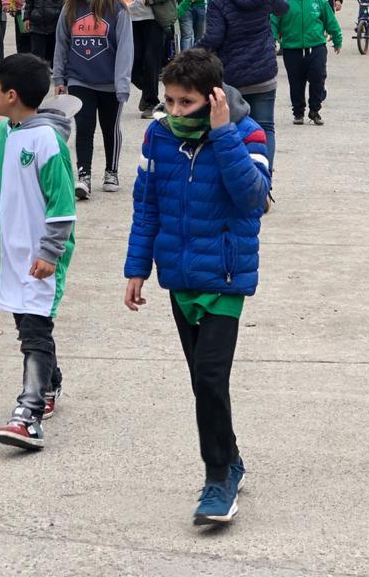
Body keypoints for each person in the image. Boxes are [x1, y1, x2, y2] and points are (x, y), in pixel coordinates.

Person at [123, 48, 269, 525]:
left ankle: (218, 479)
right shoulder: (158, 135)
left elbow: (252, 198)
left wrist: (223, 133)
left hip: (225, 277)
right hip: (179, 275)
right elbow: (147, 205)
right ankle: (232, 456)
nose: (175, 111)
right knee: (202, 382)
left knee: (209, 377)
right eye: (169, 100)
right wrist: (137, 267)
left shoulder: (248, 133)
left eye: (186, 103)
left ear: (213, 98)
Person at [0, 53, 76, 451]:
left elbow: (63, 207)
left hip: (40, 258)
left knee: (34, 331)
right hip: (11, 254)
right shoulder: (4, 134)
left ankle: (28, 415)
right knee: (28, 324)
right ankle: (50, 382)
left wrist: (50, 252)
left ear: (11, 95)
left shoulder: (47, 141)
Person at [197, 0, 288, 169]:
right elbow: (283, 7)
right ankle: (264, 178)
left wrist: (190, 53)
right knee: (265, 127)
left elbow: (213, 38)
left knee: (232, 128)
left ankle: (240, 176)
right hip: (264, 72)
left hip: (232, 75)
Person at [53, 0, 132, 198]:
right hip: (80, 79)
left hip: (110, 82)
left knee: (110, 128)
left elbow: (125, 49)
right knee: (84, 127)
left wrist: (122, 83)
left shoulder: (117, 8)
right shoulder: (70, 9)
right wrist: (59, 79)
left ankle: (111, 171)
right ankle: (83, 176)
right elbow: (61, 45)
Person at [274, 0, 343, 125]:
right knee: (296, 82)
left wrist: (337, 39)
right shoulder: (284, 2)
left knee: (318, 78)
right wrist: (272, 40)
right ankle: (298, 112)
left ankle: (315, 110)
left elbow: (330, 21)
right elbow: (274, 22)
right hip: (292, 49)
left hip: (316, 47)